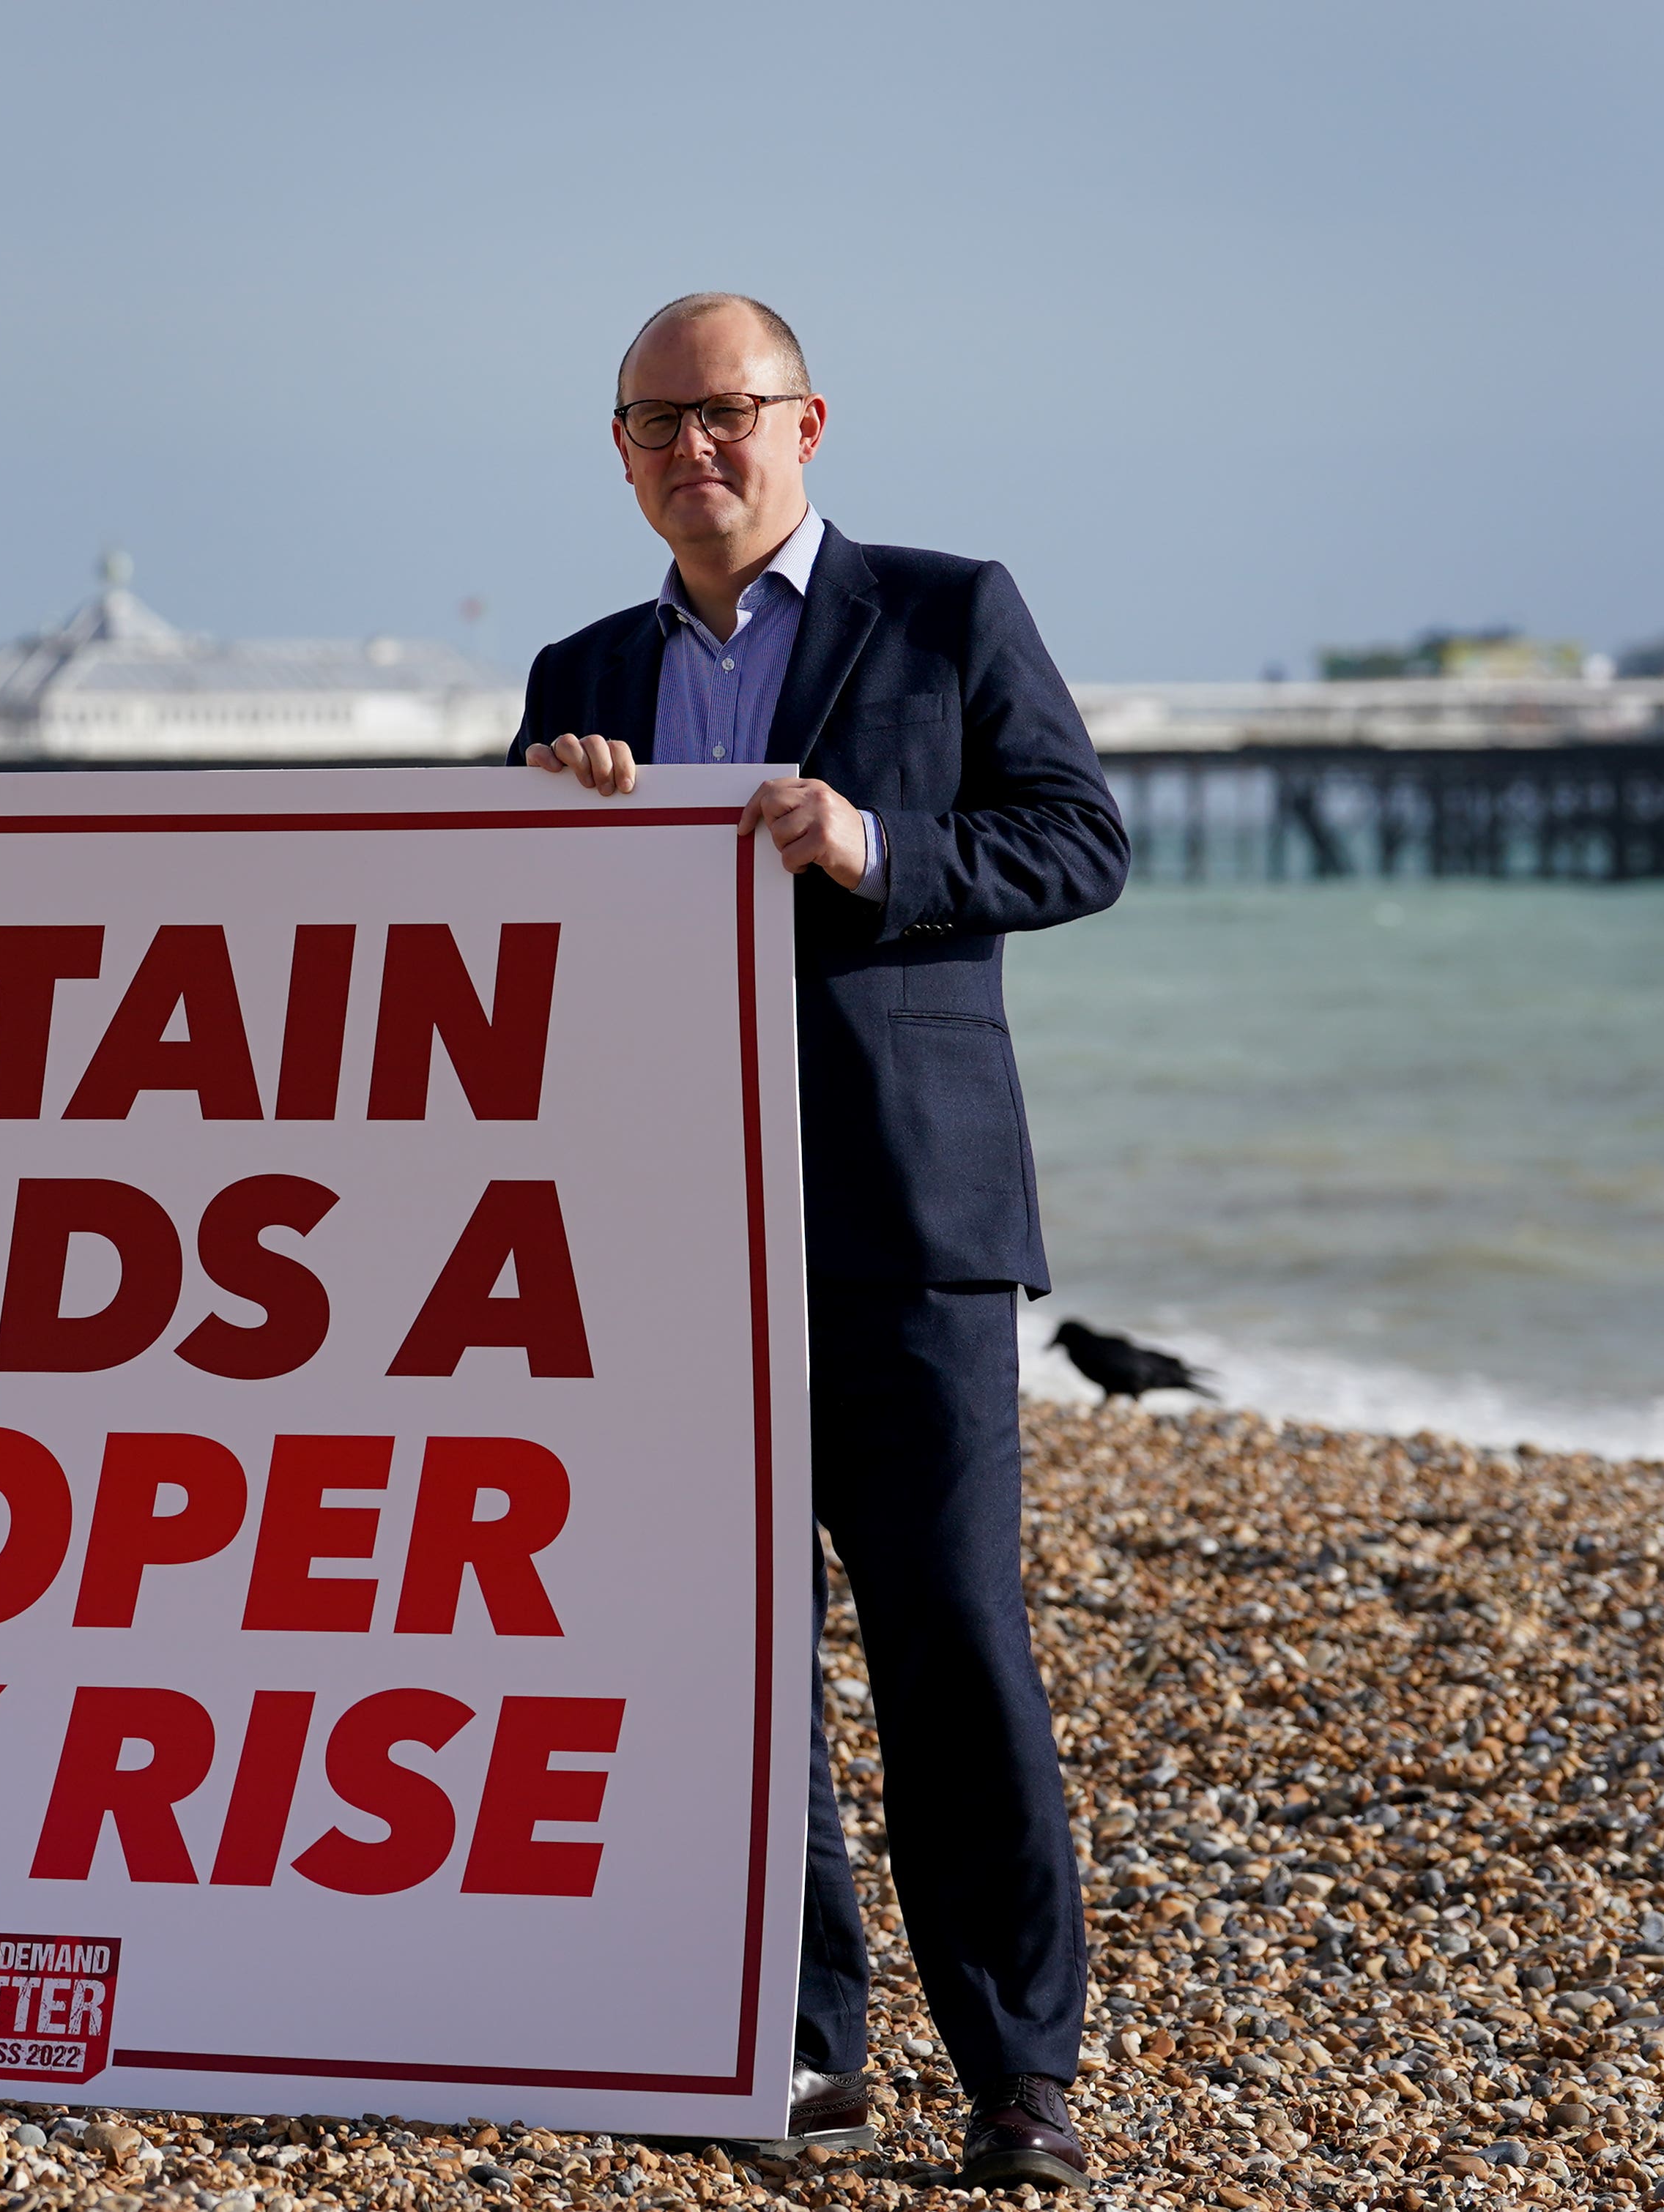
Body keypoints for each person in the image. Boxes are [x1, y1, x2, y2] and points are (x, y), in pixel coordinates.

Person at [515, 293, 1127, 2191]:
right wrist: (532, 828)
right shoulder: (576, 668)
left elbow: (1077, 840)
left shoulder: (949, 611)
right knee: (730, 1654)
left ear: (806, 421)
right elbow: (501, 963)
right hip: (670, 1237)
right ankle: (798, 2036)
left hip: (906, 1227)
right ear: (616, 454)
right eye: (654, 422)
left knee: (950, 1642)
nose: (693, 449)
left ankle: (1018, 2068)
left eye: (727, 412)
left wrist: (877, 848)